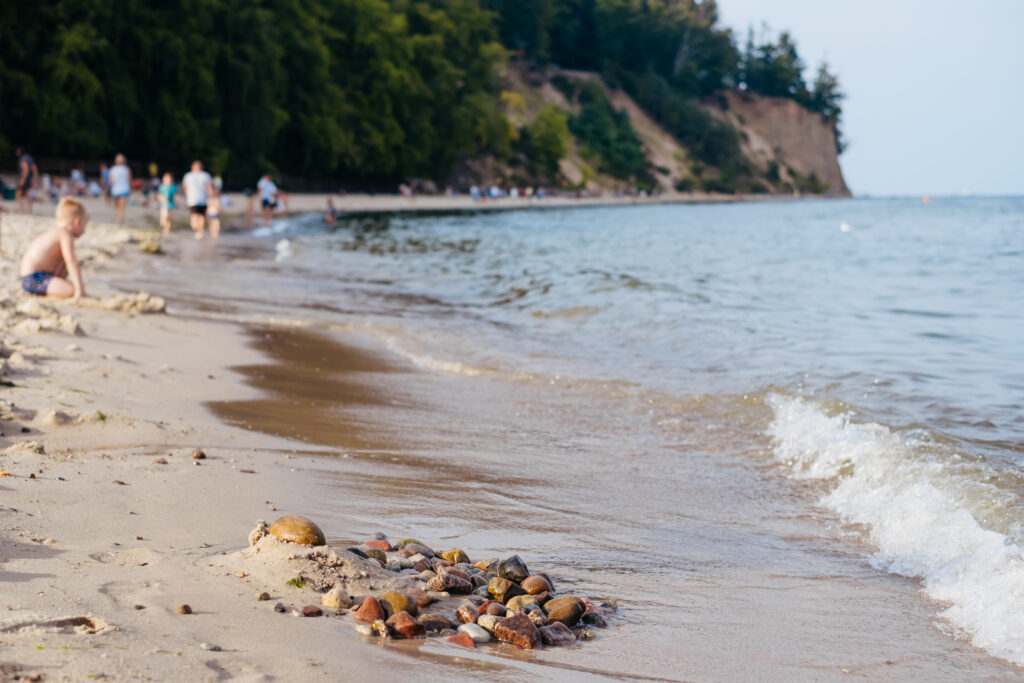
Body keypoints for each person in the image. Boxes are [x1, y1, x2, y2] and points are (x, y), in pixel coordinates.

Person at [19, 197, 89, 300]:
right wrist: (80, 290)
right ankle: (47, 294)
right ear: (76, 222)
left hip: (31, 278)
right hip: (35, 278)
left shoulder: (57, 233)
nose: (84, 231)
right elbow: (71, 261)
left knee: (64, 267)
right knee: (72, 290)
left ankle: (49, 291)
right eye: (84, 224)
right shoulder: (65, 233)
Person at [181, 160, 213, 239]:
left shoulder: (205, 175)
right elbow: (185, 187)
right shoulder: (188, 175)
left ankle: (200, 232)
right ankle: (196, 229)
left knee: (201, 216)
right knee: (194, 216)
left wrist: (211, 198)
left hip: (203, 199)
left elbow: (209, 187)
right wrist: (187, 195)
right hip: (193, 199)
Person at [109, 153, 132, 226]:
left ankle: (118, 220)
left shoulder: (113, 169)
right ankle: (120, 221)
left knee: (117, 207)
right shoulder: (127, 169)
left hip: (115, 190)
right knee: (122, 208)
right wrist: (131, 189)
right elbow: (129, 180)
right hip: (124, 189)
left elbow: (110, 181)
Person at [14, 148, 39, 214]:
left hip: (24, 179)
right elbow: (35, 169)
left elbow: (26, 170)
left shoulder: (23, 159)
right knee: (28, 195)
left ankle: (22, 210)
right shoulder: (29, 158)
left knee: (18, 194)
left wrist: (23, 180)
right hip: (29, 179)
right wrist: (34, 179)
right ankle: (29, 210)